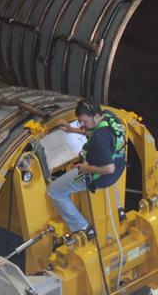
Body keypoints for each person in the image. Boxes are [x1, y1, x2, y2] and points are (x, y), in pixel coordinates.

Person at [46, 99, 126, 236]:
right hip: (119, 168)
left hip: (99, 175)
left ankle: (82, 227)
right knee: (108, 166)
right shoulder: (109, 116)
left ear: (95, 116)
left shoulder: (100, 138)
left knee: (54, 190)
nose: (83, 125)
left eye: (84, 122)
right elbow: (95, 132)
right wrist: (71, 130)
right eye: (80, 122)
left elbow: (108, 168)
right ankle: (118, 209)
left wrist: (86, 168)